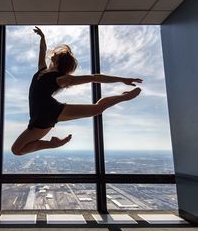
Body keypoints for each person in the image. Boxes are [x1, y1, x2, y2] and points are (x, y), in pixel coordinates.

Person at [11, 26, 142, 156]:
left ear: (60, 62)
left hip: (48, 112)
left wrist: (122, 79)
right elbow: (42, 50)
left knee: (96, 109)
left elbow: (94, 78)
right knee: (16, 150)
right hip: (39, 115)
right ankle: (53, 144)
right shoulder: (42, 70)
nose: (54, 53)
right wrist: (43, 37)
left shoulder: (60, 79)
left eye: (58, 54)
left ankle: (124, 97)